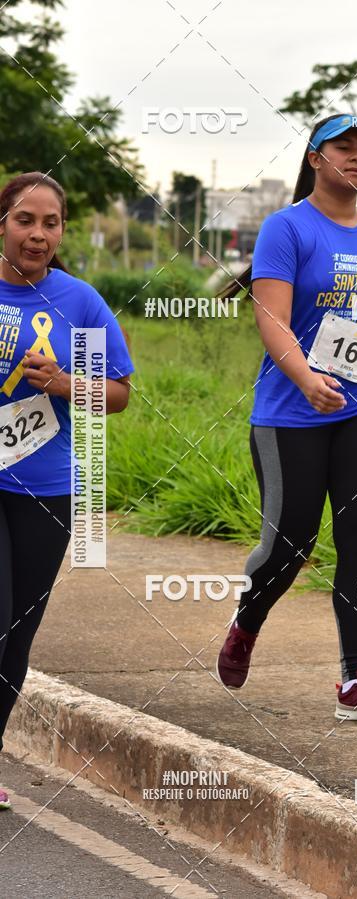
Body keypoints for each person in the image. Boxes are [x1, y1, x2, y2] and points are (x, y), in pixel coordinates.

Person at [216, 114, 357, 724]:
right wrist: (305, 378)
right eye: (342, 148)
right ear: (316, 158)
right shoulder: (286, 228)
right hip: (290, 413)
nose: (356, 157)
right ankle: (247, 620)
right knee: (290, 545)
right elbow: (271, 319)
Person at [0, 172, 134, 808]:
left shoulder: (79, 302)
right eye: (26, 220)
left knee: (16, 636)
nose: (38, 234)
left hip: (47, 488)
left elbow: (119, 394)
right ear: (3, 223)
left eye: (50, 223)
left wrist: (63, 383)